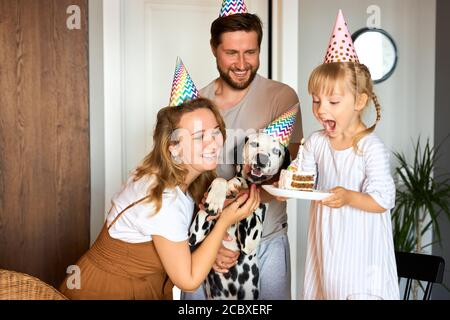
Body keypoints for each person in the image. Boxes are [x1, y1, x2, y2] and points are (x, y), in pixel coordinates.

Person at [59, 59, 261, 300]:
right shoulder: (164, 197)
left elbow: (176, 245)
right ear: (173, 147)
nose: (213, 141)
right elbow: (188, 280)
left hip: (142, 286)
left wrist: (213, 246)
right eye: (198, 136)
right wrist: (225, 221)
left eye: (216, 131)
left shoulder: (186, 181)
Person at [182, 0, 303, 300]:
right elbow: (183, 178)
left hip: (266, 242)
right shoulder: (197, 104)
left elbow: (295, 172)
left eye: (250, 52)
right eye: (231, 52)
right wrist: (214, 240)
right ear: (214, 48)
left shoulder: (281, 98)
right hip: (206, 242)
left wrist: (236, 229)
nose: (241, 63)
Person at [290, 11, 399, 300]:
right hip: (326, 256)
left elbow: (383, 200)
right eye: (316, 100)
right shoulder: (317, 143)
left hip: (362, 261)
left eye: (333, 101)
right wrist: (285, 187)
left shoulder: (370, 148)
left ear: (359, 101)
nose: (321, 109)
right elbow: (300, 179)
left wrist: (349, 196)